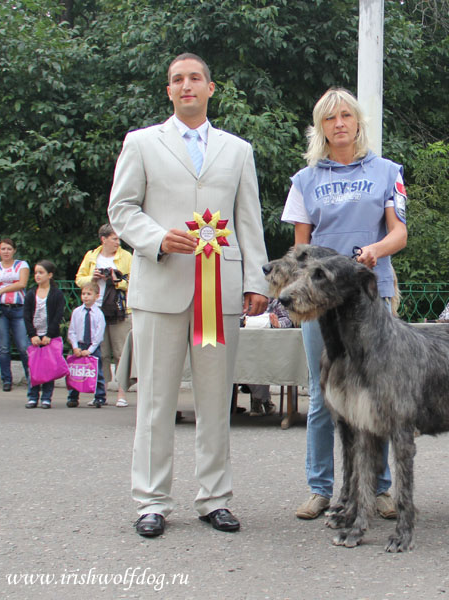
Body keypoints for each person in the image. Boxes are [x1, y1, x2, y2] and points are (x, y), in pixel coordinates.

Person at [107, 52, 269, 538]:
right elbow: (122, 209)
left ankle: (215, 498)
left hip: (219, 292)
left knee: (217, 400)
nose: (186, 86)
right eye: (177, 80)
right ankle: (151, 502)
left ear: (210, 88)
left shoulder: (237, 149)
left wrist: (256, 281)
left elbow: (248, 220)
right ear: (169, 91)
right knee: (155, 400)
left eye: (195, 78)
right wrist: (156, 239)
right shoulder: (141, 144)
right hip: (159, 288)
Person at [281, 87, 407, 520]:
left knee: (379, 392)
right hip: (320, 301)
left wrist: (376, 249)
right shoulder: (304, 180)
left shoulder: (389, 172)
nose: (339, 124)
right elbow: (300, 251)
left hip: (371, 294)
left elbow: (399, 234)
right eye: (330, 118)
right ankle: (320, 488)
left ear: (358, 123)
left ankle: (381, 487)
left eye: (346, 116)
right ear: (320, 127)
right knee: (324, 395)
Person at [74, 224, 133, 407]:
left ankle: (122, 394)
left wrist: (118, 282)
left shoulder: (126, 256)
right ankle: (101, 393)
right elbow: (79, 279)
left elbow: (134, 280)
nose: (118, 242)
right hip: (97, 310)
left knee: (121, 352)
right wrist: (93, 277)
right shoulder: (92, 256)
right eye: (114, 238)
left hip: (119, 310)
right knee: (102, 353)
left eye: (118, 239)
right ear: (104, 239)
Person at [0, 238, 30, 392]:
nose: (6, 252)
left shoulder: (21, 265)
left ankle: (32, 378)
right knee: (3, 347)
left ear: (14, 250)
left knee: (23, 346)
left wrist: (2, 289)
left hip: (19, 308)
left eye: (9, 249)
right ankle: (6, 380)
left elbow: (22, 284)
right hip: (0, 310)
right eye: (3, 249)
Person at [23, 260, 65, 409]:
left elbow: (58, 315)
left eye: (41, 272)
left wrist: (49, 334)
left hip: (49, 337)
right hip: (35, 336)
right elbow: (26, 315)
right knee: (33, 367)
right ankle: (33, 396)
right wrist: (32, 334)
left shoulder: (56, 294)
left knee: (48, 367)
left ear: (50, 275)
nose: (37, 276)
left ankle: (46, 397)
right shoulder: (30, 294)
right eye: (36, 273)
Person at [240, 297, 293, 416]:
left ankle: (258, 400)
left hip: (272, 347)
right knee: (247, 359)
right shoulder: (245, 299)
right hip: (248, 344)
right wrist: (242, 321)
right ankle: (263, 400)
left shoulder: (276, 300)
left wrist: (278, 324)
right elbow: (237, 318)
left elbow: (288, 320)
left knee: (262, 359)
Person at [66, 281, 107, 408]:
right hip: (80, 344)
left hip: (92, 346)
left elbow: (99, 334)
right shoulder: (77, 312)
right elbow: (72, 331)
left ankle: (99, 397)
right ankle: (73, 397)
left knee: (96, 371)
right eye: (83, 293)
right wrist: (75, 347)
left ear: (96, 296)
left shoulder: (99, 314)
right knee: (76, 372)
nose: (85, 296)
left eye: (89, 294)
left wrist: (90, 350)